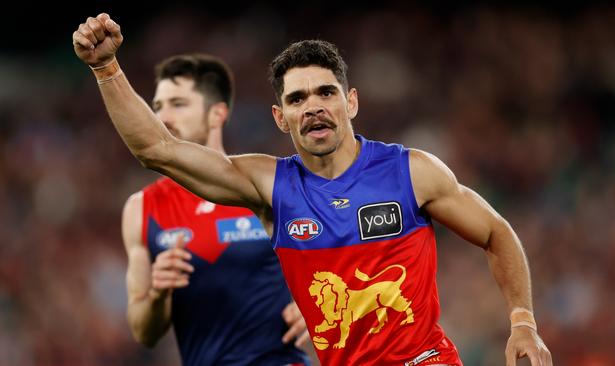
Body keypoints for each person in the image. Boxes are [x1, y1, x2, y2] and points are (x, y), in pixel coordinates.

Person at [73, 13, 553, 366]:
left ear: (351, 102)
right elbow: (158, 148)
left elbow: (496, 232)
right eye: (297, 99)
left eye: (326, 93)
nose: (314, 107)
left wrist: (522, 323)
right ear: (281, 118)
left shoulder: (411, 172)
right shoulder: (269, 186)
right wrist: (107, 70)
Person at [118, 52, 310, 365]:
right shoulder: (142, 208)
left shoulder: (262, 188)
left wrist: (312, 305)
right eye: (157, 107)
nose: (161, 118)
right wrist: (157, 293)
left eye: (178, 104)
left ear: (217, 114)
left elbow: (340, 258)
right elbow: (145, 333)